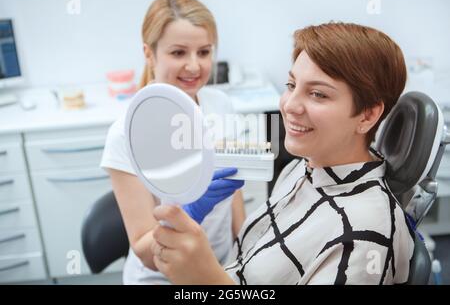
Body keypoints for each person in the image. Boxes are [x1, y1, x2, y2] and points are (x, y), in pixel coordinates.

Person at [150, 22, 416, 285]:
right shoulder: (302, 168)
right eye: (291, 85)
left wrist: (207, 279)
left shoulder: (365, 233)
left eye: (317, 94)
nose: (289, 105)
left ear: (367, 114)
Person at [100, 0, 246, 285]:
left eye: (204, 52)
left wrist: (243, 256)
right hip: (162, 276)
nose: (194, 66)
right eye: (179, 53)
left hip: (221, 266)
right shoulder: (124, 135)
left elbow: (235, 203)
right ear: (149, 54)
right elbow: (144, 251)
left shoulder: (220, 105)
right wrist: (186, 215)